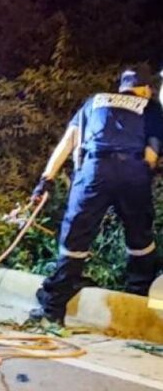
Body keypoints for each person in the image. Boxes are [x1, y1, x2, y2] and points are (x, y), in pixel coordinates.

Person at [28, 66, 162, 323]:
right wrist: (139, 177)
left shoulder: (95, 101)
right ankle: (138, 296)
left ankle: (52, 309)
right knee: (140, 238)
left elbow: (68, 142)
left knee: (75, 238)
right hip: (132, 170)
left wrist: (46, 180)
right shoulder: (151, 108)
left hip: (93, 170)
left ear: (122, 87)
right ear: (145, 89)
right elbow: (151, 155)